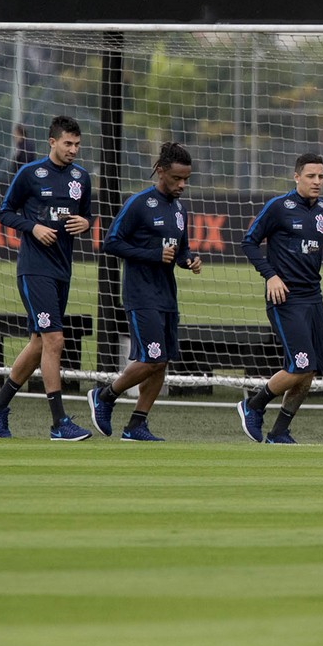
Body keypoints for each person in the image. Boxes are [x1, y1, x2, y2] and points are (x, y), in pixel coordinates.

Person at [0, 115, 93, 441]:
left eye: (77, 144)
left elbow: (86, 214)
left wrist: (85, 224)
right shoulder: (30, 174)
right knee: (55, 340)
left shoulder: (81, 178)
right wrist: (33, 227)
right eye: (68, 143)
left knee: (39, 341)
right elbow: (4, 212)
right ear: (52, 142)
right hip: (34, 269)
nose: (73, 149)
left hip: (62, 269)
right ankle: (59, 423)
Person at [237, 153, 323, 444]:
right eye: (311, 176)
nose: (317, 182)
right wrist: (271, 275)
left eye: (321, 176)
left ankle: (279, 430)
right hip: (285, 298)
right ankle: (252, 405)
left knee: (309, 372)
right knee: (300, 365)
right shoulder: (278, 208)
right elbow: (249, 242)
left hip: (313, 299)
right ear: (296, 177)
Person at [86, 142, 202, 442]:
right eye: (177, 178)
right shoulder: (139, 204)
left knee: (161, 361)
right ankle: (105, 395)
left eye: (186, 179)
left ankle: (137, 424)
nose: (182, 185)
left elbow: (180, 249)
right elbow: (111, 242)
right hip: (140, 294)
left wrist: (188, 259)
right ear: (161, 171)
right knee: (152, 359)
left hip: (166, 295)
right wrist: (152, 254)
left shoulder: (179, 210)